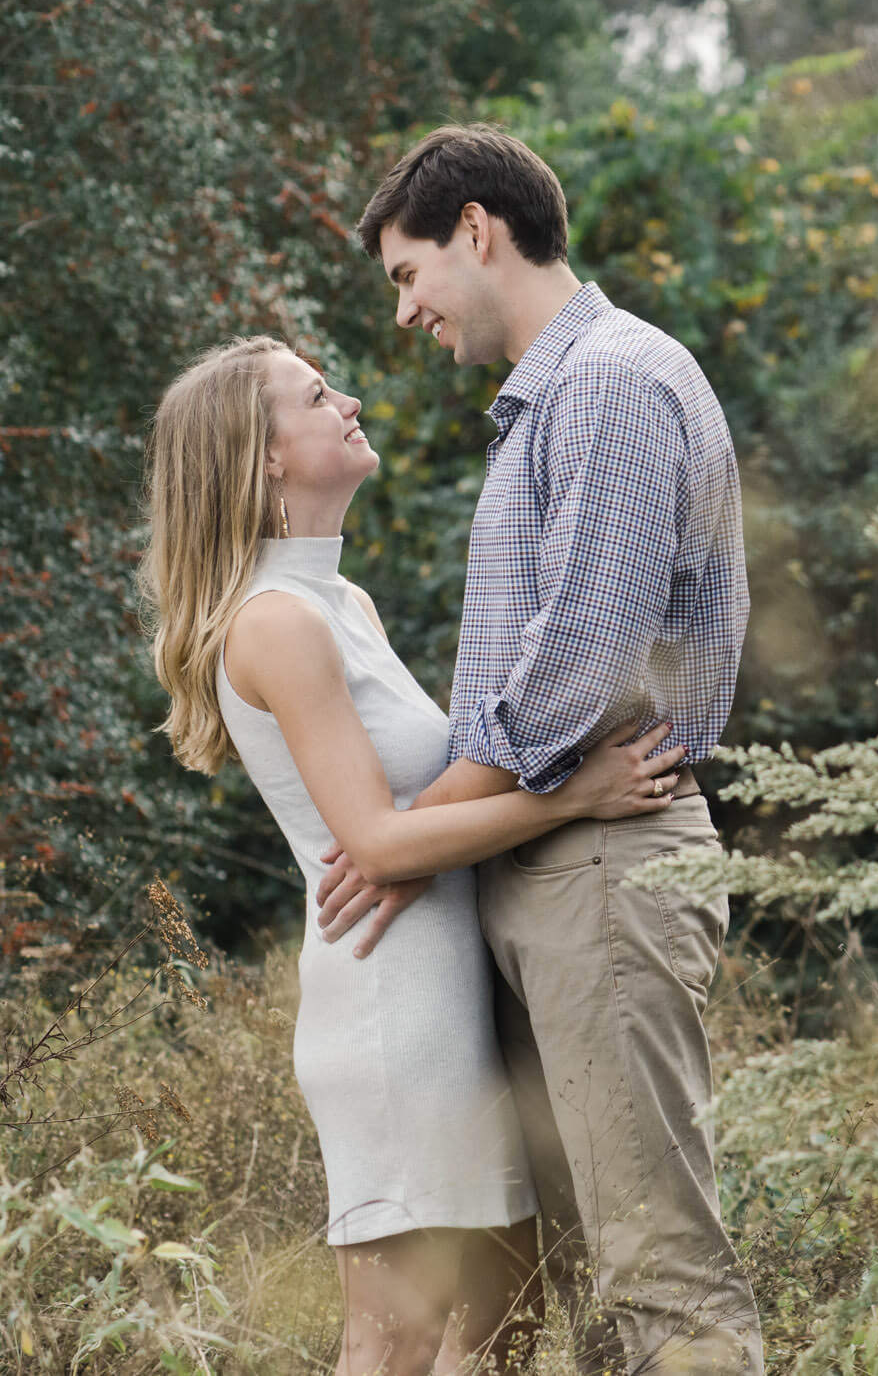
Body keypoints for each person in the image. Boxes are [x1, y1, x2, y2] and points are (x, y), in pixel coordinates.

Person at [140, 336, 690, 1375]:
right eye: (316, 393)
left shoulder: (342, 606)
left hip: (445, 997)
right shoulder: (275, 625)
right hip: (390, 1013)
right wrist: (575, 794)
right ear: (262, 455)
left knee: (505, 1316)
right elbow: (380, 842)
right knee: (394, 1339)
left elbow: (407, 814)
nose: (348, 399)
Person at [325, 123, 762, 1375]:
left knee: (657, 1270)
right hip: (556, 861)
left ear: (477, 230)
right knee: (574, 1282)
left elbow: (576, 669)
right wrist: (429, 844)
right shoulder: (549, 401)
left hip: (606, 871)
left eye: (407, 276)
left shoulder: (611, 383)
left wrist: (410, 840)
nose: (405, 314)